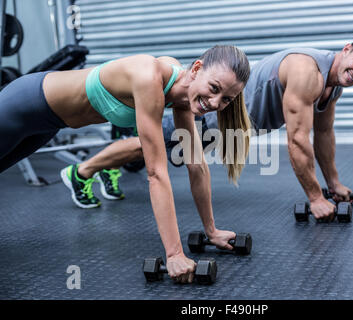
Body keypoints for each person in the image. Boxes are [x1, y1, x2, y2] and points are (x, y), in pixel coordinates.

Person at [61, 32, 353, 221]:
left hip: (232, 125)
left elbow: (323, 134)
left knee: (161, 151)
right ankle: (82, 171)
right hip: (216, 113)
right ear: (347, 49)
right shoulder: (309, 72)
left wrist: (333, 184)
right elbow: (298, 140)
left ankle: (106, 169)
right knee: (150, 147)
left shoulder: (333, 87)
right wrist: (316, 198)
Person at [0, 45, 252, 283]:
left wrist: (212, 231)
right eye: (214, 88)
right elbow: (156, 173)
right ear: (196, 69)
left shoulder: (184, 96)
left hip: (48, 124)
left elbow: (196, 165)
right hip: (26, 103)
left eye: (227, 99)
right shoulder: (149, 77)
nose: (216, 103)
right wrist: (174, 254)